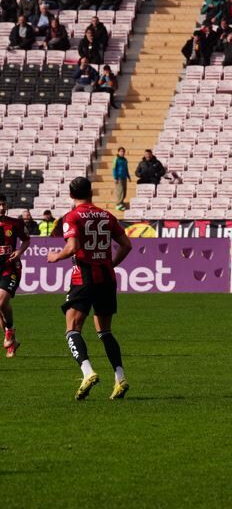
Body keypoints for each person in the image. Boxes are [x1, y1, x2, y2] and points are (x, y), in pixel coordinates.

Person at [46, 177, 132, 400]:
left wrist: (56, 256)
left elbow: (73, 247)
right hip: (106, 277)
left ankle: (87, 372)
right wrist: (111, 263)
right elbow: (127, 245)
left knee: (72, 328)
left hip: (84, 275)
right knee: (104, 331)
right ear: (91, 193)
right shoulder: (106, 215)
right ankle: (120, 377)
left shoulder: (72, 216)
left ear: (71, 195)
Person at [0, 194, 29, 358]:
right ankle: (12, 340)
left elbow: (26, 240)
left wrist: (19, 251)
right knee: (0, 307)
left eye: (3, 204)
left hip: (10, 268)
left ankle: (9, 331)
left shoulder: (15, 223)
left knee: (1, 301)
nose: (2, 207)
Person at [112, 147, 129, 211]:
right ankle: (118, 204)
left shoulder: (125, 160)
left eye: (123, 151)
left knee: (124, 191)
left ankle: (121, 202)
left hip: (124, 177)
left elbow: (126, 168)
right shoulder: (116, 159)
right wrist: (115, 178)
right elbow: (114, 169)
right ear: (118, 152)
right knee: (120, 190)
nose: (122, 153)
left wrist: (128, 176)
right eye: (121, 151)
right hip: (118, 177)